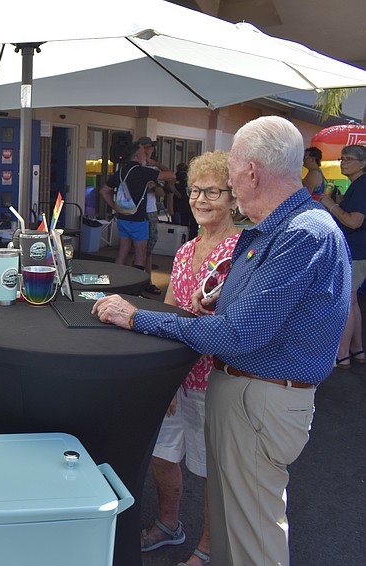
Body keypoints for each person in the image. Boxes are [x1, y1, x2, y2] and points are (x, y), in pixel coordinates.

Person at [93, 116, 350, 566]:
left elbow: (239, 334)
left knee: (252, 539)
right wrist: (217, 301)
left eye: (228, 172)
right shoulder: (277, 229)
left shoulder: (300, 234)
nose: (221, 184)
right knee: (237, 530)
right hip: (252, 391)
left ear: (250, 171)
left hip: (262, 396)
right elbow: (247, 316)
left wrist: (139, 319)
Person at [140, 151, 240, 566]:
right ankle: (168, 525)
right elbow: (168, 314)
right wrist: (164, 377)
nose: (200, 199)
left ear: (233, 198)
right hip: (177, 376)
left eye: (212, 191)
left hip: (213, 378)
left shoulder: (242, 252)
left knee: (212, 471)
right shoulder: (185, 251)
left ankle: (208, 546)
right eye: (195, 190)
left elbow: (237, 323)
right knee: (164, 455)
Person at [320, 144, 366, 368]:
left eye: (348, 159)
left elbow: (354, 221)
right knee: (353, 301)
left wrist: (331, 206)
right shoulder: (357, 185)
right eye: (341, 158)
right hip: (357, 250)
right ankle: (356, 351)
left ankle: (343, 354)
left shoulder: (361, 186)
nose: (342, 162)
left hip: (356, 251)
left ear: (363, 163)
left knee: (346, 302)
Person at [100, 141, 174, 272]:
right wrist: (156, 163)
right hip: (138, 219)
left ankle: (116, 280)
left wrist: (114, 206)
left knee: (123, 252)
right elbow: (171, 175)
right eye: (143, 153)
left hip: (122, 217)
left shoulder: (121, 172)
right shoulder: (142, 172)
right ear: (137, 156)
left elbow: (104, 191)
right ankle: (135, 289)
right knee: (140, 255)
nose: (145, 156)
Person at [137, 136, 175, 295]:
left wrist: (153, 185)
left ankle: (147, 281)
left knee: (148, 250)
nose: (147, 151)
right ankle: (136, 282)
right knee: (134, 250)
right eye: (143, 147)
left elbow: (166, 185)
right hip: (135, 212)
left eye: (149, 147)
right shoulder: (134, 167)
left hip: (150, 211)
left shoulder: (152, 169)